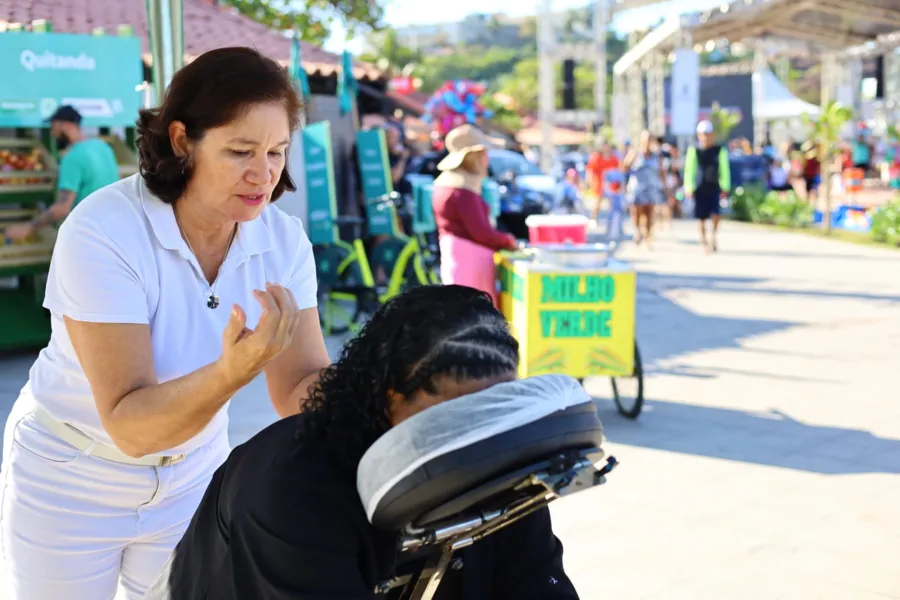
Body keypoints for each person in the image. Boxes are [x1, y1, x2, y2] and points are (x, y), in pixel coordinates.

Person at [0, 47, 331, 600]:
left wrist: (387, 393)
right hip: (72, 476)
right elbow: (131, 425)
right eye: (240, 150)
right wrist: (232, 371)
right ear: (182, 140)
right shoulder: (105, 229)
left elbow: (300, 386)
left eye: (276, 152)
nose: (263, 173)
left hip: (193, 475)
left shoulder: (281, 238)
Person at [150, 285, 580, 600]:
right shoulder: (290, 485)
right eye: (457, 416)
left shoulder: (497, 458)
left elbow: (537, 582)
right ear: (387, 396)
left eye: (495, 410)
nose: (480, 436)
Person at [4, 105, 120, 241]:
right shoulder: (102, 147)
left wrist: (27, 228)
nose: (53, 134)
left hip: (91, 235)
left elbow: (62, 208)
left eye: (54, 128)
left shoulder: (72, 158)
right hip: (113, 230)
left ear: (63, 125)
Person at [432, 125, 517, 305]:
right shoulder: (462, 191)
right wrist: (506, 240)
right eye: (483, 153)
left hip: (457, 258)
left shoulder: (447, 185)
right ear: (472, 156)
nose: (486, 159)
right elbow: (481, 232)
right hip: (470, 263)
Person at [684, 120, 731, 253]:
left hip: (714, 185)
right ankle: (704, 241)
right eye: (703, 134)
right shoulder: (694, 150)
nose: (705, 137)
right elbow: (689, 170)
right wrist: (688, 187)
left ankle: (713, 236)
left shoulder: (719, 150)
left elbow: (724, 169)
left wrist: (725, 186)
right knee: (701, 217)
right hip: (700, 186)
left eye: (708, 134)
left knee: (716, 214)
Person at [622, 131, 667, 248]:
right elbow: (624, 167)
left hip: (651, 187)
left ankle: (647, 237)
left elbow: (661, 172)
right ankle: (637, 231)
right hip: (637, 187)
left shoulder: (656, 156)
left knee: (649, 213)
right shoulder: (635, 153)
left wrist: (664, 187)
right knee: (637, 212)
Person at [586, 141, 619, 223]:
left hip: (611, 185)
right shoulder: (596, 157)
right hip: (599, 183)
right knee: (597, 203)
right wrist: (589, 180)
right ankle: (593, 219)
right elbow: (590, 169)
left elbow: (617, 170)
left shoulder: (613, 158)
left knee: (612, 203)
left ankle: (611, 220)